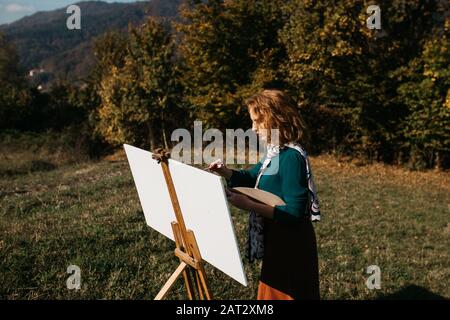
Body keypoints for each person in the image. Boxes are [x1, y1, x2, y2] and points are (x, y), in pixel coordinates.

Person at [208, 89, 320, 300]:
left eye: (257, 122)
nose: (252, 129)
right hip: (277, 239)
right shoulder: (275, 152)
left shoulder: (291, 158)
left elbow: (294, 213)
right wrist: (226, 171)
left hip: (291, 246)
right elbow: (253, 177)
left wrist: (248, 204)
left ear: (275, 120)